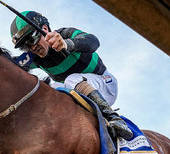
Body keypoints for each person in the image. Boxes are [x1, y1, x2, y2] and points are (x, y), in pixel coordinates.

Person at [10, 11, 132, 140]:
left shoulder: (65, 34)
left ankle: (113, 118)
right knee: (50, 88)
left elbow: (93, 41)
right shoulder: (34, 58)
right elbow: (10, 64)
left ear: (44, 29)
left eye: (31, 39)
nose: (32, 47)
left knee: (71, 79)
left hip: (105, 84)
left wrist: (67, 44)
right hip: (79, 92)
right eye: (25, 46)